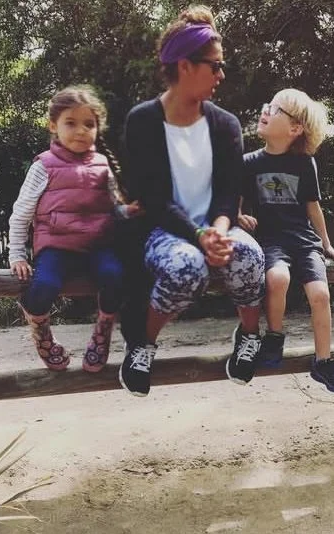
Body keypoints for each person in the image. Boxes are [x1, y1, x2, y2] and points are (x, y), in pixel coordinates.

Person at [118, 5, 265, 396]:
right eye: (214, 66)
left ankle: (250, 336)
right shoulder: (143, 120)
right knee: (188, 268)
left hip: (216, 227)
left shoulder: (226, 124)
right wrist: (198, 236)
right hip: (165, 230)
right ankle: (142, 344)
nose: (221, 74)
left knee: (250, 256)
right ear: (185, 66)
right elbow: (152, 198)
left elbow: (228, 191)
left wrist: (217, 230)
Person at [8, 85, 141, 372]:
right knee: (43, 286)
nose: (81, 131)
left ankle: (103, 329)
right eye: (71, 123)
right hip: (56, 245)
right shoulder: (44, 165)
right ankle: (41, 330)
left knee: (114, 276)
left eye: (89, 124)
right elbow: (22, 212)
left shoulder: (103, 165)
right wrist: (17, 254)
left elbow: (111, 207)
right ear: (53, 125)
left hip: (97, 245)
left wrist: (127, 211)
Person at [238, 88, 334, 392]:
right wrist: (238, 217)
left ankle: (324, 361)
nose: (265, 111)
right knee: (277, 278)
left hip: (304, 242)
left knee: (321, 295)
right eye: (268, 104)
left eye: (275, 109)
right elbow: (232, 203)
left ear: (295, 128)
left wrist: (325, 243)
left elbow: (313, 206)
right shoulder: (249, 162)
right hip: (271, 241)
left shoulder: (304, 163)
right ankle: (274, 337)